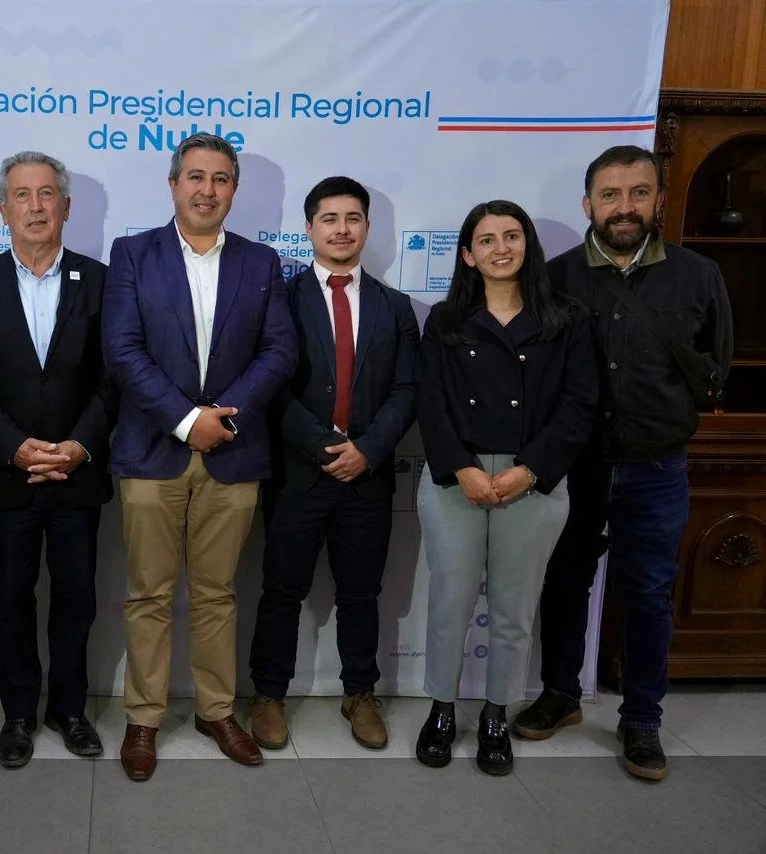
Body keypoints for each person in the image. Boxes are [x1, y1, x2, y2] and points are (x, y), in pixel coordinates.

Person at [514, 146, 733, 781]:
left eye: (639, 192)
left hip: (656, 467)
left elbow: (715, 362)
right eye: (610, 195)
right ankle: (560, 694)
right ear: (589, 205)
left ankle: (641, 718)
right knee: (564, 583)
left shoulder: (698, 276)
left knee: (647, 593)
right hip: (573, 465)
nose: (625, 207)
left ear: (658, 199)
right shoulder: (554, 278)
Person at [102, 132, 297, 781]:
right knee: (148, 595)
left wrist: (224, 418)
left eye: (220, 179)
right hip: (152, 451)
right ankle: (144, 718)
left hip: (233, 453)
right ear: (173, 184)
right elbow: (122, 349)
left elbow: (279, 351)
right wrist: (188, 421)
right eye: (195, 177)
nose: (207, 190)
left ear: (234, 190)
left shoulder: (261, 262)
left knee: (218, 594)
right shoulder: (132, 254)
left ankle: (217, 711)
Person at [414, 200, 598, 776]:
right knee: (450, 601)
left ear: (527, 245)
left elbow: (580, 403)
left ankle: (497, 714)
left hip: (532, 478)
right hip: (456, 476)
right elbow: (431, 403)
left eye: (511, 236)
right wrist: (462, 468)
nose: (501, 248)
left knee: (515, 608)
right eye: (487, 239)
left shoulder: (565, 319)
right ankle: (442, 709)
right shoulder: (445, 320)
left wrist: (531, 469)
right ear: (468, 254)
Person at [247, 176, 419, 752]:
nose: (341, 229)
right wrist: (324, 447)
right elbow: (270, 385)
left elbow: (407, 389)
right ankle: (268, 694)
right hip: (299, 475)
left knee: (361, 593)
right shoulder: (280, 299)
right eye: (329, 219)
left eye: (353, 218)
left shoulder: (395, 307)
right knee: (281, 591)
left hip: (367, 476)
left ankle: (359, 693)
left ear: (367, 227)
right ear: (309, 228)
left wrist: (367, 449)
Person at [0, 151, 116, 768]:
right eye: (21, 195)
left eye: (47, 194)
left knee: (77, 601)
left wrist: (79, 446)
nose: (35, 206)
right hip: (9, 474)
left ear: (66, 207)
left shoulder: (101, 281)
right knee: (12, 601)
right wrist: (12, 444)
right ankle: (19, 713)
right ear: (3, 209)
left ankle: (69, 710)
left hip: (78, 473)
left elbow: (112, 378)